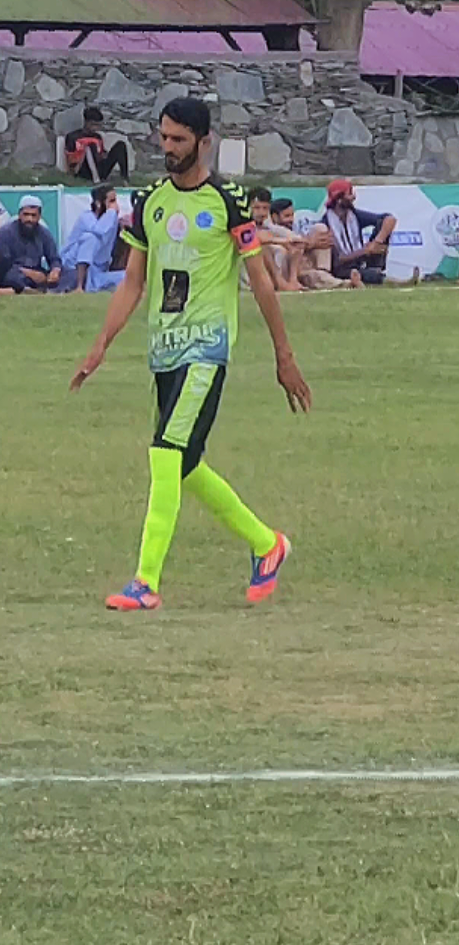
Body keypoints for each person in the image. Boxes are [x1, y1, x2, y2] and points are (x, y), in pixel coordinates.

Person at [70, 96, 312, 612]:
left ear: (204, 142)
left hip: (206, 350)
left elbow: (260, 281)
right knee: (184, 464)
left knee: (164, 452)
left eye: (179, 139)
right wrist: (100, 345)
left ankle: (145, 582)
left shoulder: (229, 201)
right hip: (164, 352)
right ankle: (267, 544)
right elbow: (133, 282)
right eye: (164, 137)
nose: (168, 147)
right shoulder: (150, 201)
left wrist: (284, 356)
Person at [321, 178, 403, 285]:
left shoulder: (354, 215)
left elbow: (390, 219)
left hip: (360, 259)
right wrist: (364, 251)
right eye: (350, 194)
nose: (354, 197)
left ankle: (376, 269)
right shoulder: (326, 224)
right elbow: (338, 260)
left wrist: (376, 243)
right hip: (342, 268)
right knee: (359, 273)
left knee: (381, 226)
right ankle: (391, 281)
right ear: (339, 199)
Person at [58, 184, 125, 293]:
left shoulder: (111, 220)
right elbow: (100, 231)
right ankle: (79, 286)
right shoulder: (86, 217)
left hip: (97, 272)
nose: (115, 205)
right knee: (90, 238)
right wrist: (111, 212)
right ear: (98, 204)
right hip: (72, 268)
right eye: (111, 201)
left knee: (126, 277)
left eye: (115, 201)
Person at [0, 195, 62, 293]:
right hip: (14, 273)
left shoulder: (44, 233)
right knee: (13, 277)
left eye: (33, 215)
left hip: (37, 273)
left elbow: (54, 258)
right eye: (26, 214)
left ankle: (37, 290)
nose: (29, 219)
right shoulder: (6, 232)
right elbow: (5, 264)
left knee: (69, 274)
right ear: (19, 214)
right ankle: (27, 290)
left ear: (39, 216)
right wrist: (29, 273)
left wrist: (55, 271)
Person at [64, 107, 130, 182]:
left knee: (120, 145)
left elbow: (101, 152)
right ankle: (96, 180)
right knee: (89, 146)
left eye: (98, 125)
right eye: (93, 124)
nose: (95, 128)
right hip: (83, 169)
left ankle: (124, 178)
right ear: (86, 122)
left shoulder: (97, 137)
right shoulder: (73, 137)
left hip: (99, 168)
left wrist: (104, 155)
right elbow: (70, 159)